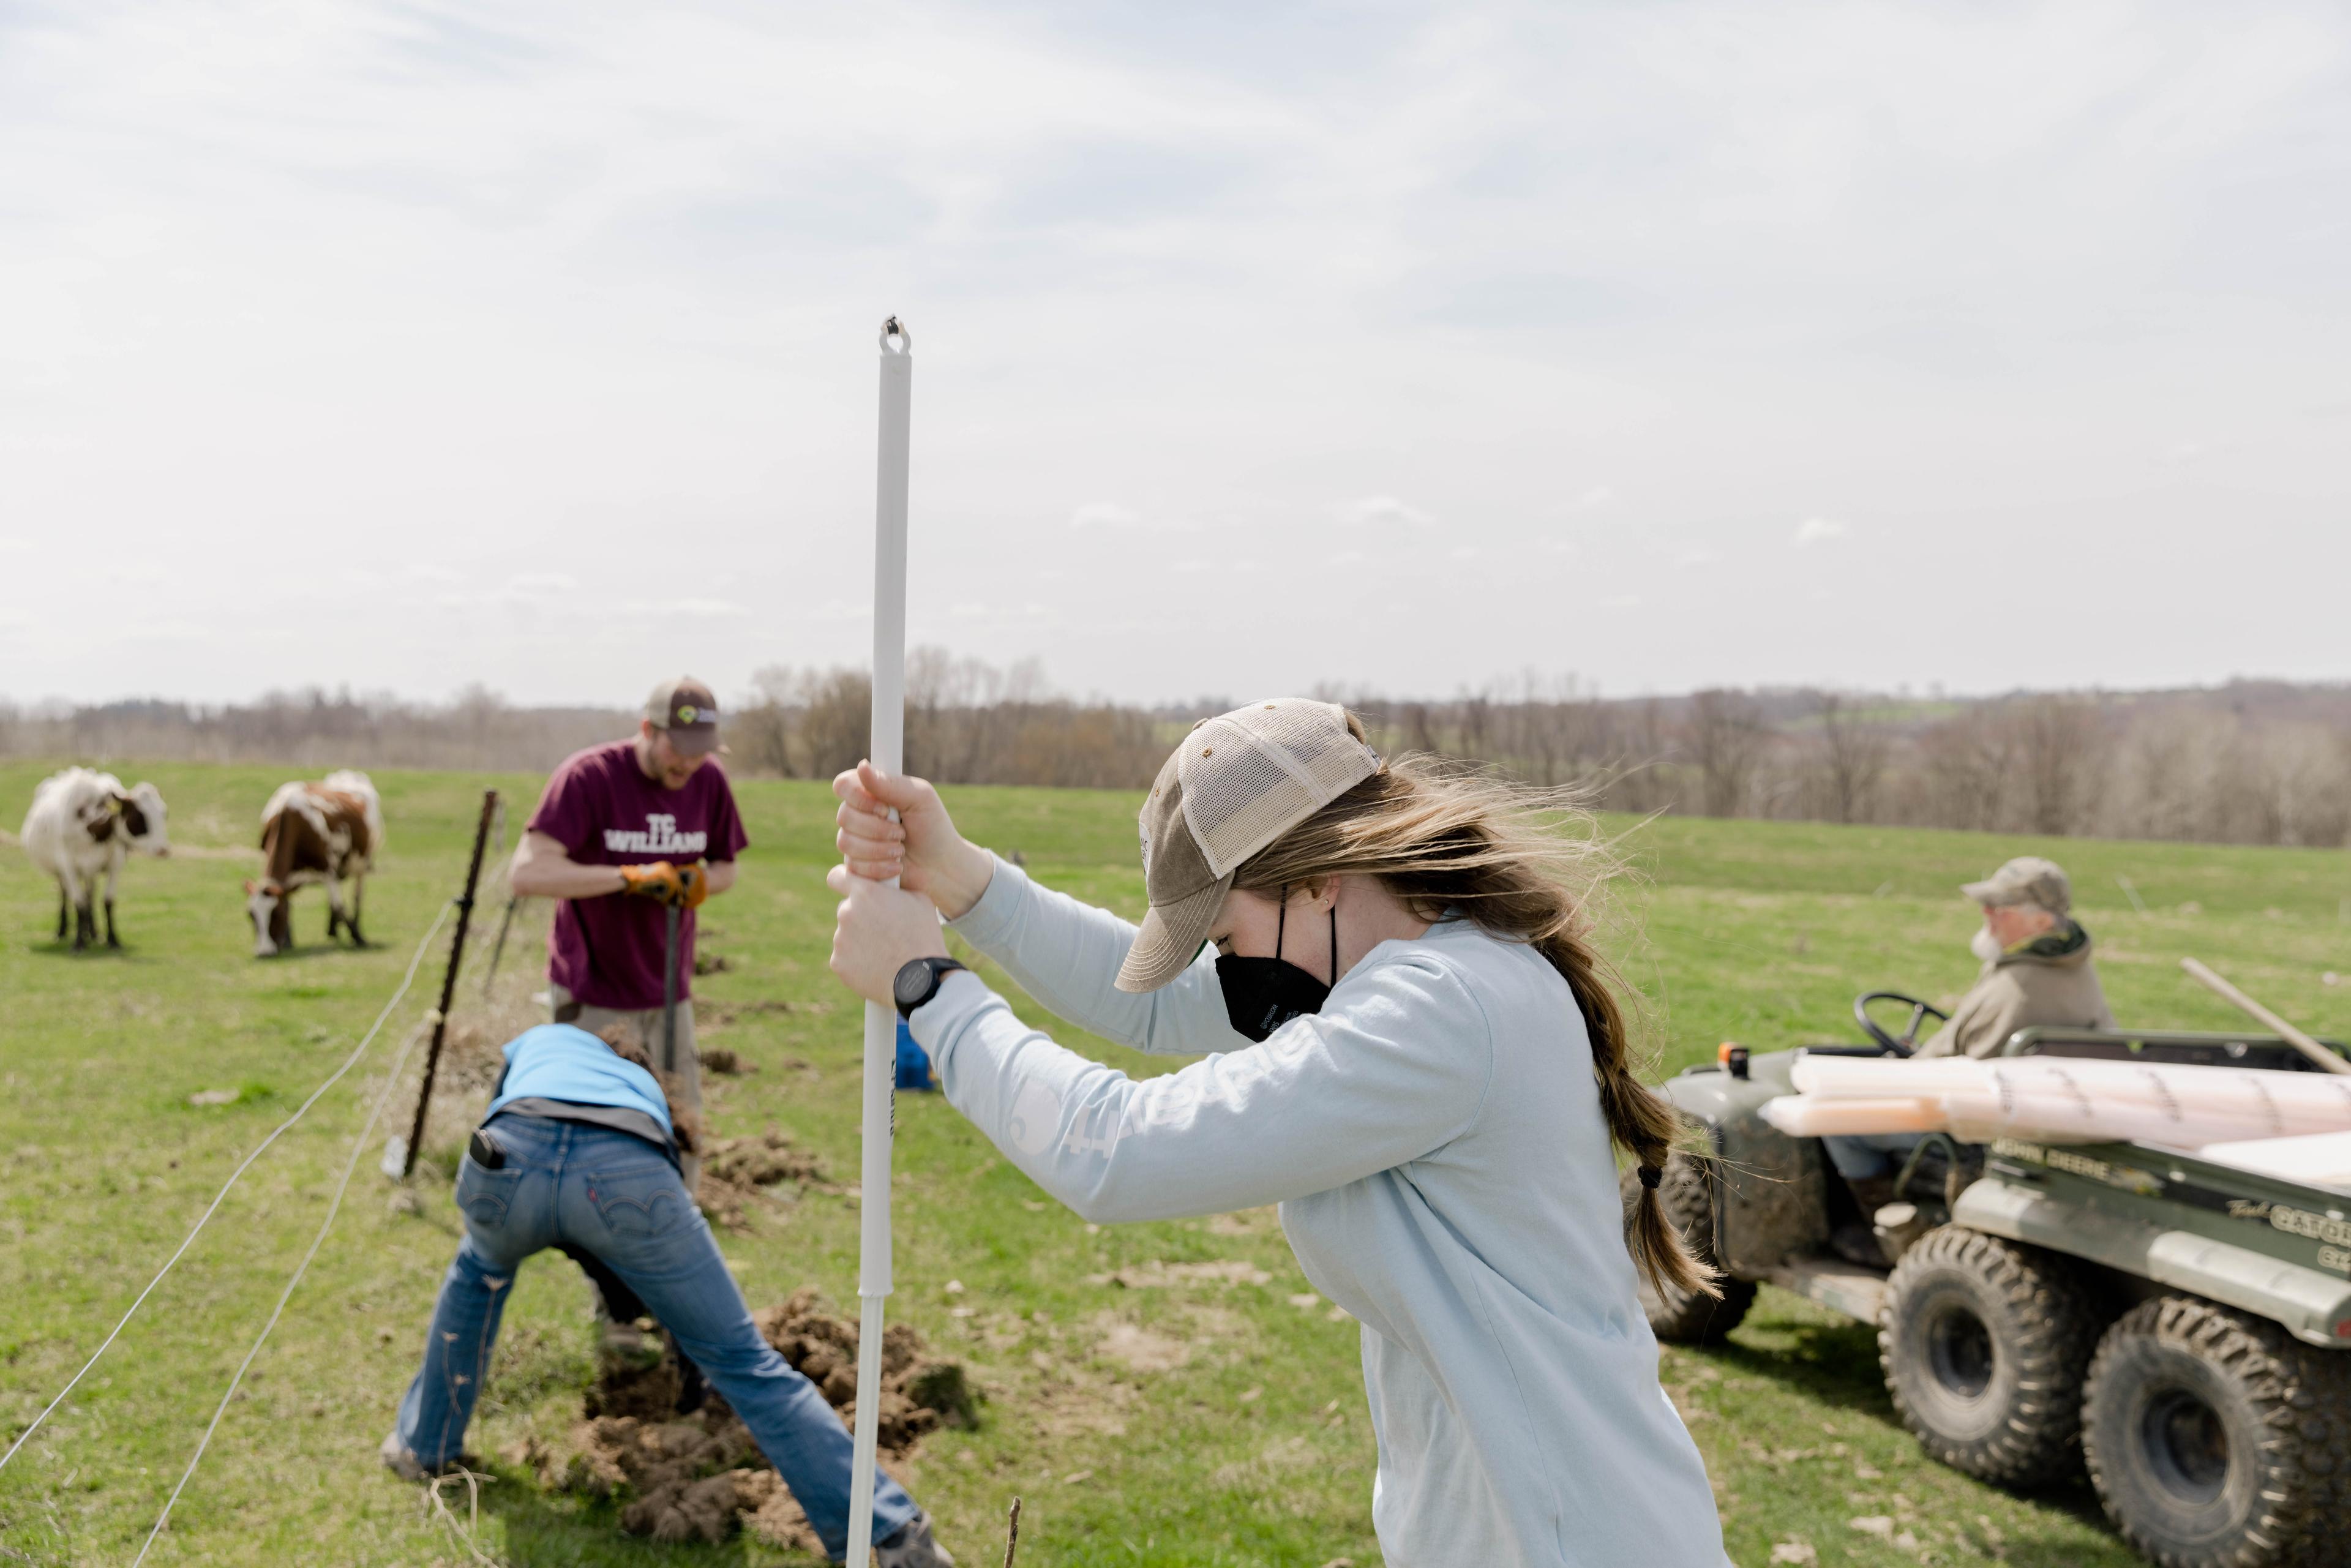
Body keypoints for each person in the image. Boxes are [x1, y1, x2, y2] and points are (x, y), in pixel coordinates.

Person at [827, 699, 1731, 1568]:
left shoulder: (1438, 1013)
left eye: (1224, 937)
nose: (1232, 974)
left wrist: (928, 992)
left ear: (1316, 877)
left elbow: (1118, 1153)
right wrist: (961, 880)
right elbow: (1151, 1007)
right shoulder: (1408, 967)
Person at [379, 1022, 954, 1567]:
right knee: (743, 1359)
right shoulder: (641, 1092)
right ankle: (892, 1534)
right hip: (625, 1174)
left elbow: (512, 1112)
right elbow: (641, 1239)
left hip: (505, 1159)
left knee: (478, 1276)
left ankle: (423, 1446)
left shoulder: (543, 1040)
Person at [509, 676, 748, 1196]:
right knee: (599, 1126)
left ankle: (676, 1217)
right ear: (647, 729)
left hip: (668, 990)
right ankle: (599, 1230)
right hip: (592, 992)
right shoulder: (588, 778)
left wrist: (698, 882)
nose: (687, 765)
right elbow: (527, 874)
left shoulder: (708, 781)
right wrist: (629, 877)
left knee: (681, 1115)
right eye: (677, 750)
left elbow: (727, 866)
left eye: (700, 753)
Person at [1824, 855, 2117, 1258]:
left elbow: (1969, 1083)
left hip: (1976, 1131)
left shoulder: (2018, 986)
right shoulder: (2067, 967)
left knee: (1838, 1121)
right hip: (2036, 1107)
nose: (1987, 914)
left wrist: (1909, 1071)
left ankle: (1884, 1235)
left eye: (2001, 908)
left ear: (2042, 921)